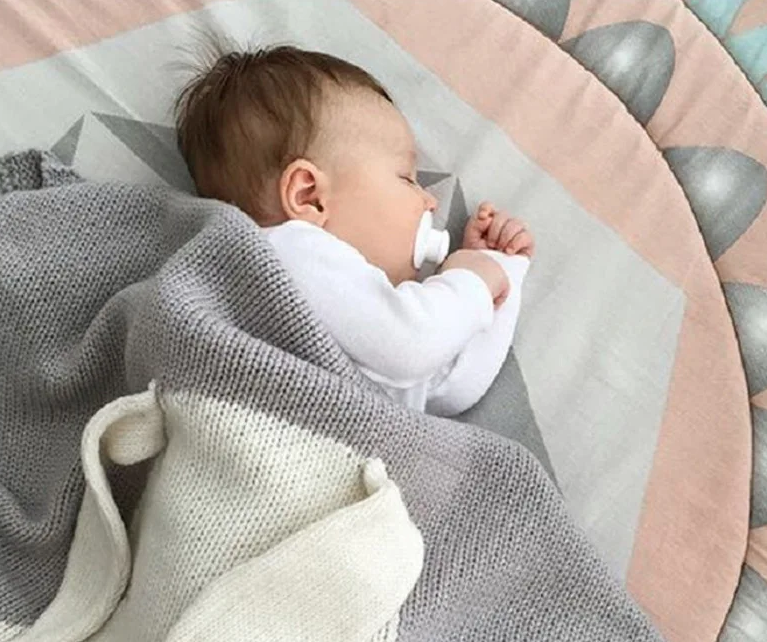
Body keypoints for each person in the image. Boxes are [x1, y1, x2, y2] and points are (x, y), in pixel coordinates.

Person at [175, 44, 535, 416]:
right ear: (310, 197)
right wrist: (471, 283)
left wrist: (496, 269)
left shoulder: (360, 320)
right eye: (406, 178)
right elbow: (408, 346)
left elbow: (447, 389)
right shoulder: (288, 250)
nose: (430, 201)